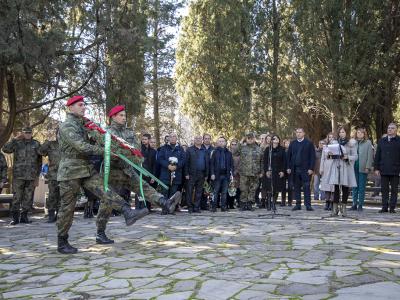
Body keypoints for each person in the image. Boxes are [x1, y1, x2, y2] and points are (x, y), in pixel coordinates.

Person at [55, 97, 149, 254]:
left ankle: (127, 212)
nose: (84, 108)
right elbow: (81, 146)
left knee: (106, 191)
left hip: (86, 168)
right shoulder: (67, 126)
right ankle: (62, 240)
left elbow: (100, 136)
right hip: (70, 171)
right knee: (67, 208)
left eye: (84, 105)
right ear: (70, 108)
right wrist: (105, 151)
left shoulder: (85, 124)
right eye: (80, 105)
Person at [106, 106, 181, 218]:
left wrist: (126, 151)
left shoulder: (129, 133)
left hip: (127, 169)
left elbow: (136, 148)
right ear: (113, 117)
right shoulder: (106, 132)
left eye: (125, 115)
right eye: (121, 115)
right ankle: (102, 229)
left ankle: (166, 203)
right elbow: (108, 150)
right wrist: (124, 151)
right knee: (106, 199)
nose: (124, 118)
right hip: (112, 170)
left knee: (145, 188)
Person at [3, 127, 42, 225]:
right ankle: (15, 218)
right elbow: (5, 149)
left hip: (31, 176)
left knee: (28, 197)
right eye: (26, 133)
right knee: (17, 197)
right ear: (23, 133)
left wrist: (37, 175)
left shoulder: (36, 144)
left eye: (29, 133)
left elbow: (39, 161)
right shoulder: (17, 143)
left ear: (31, 133)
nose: (28, 134)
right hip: (18, 176)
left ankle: (24, 217)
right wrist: (15, 139)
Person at [326, 126, 357, 217]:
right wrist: (329, 154)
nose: (341, 134)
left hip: (346, 167)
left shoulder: (351, 143)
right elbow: (330, 155)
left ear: (346, 133)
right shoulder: (334, 143)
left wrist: (348, 157)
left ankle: (343, 209)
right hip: (337, 166)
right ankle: (335, 210)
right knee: (336, 188)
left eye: (343, 132)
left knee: (345, 188)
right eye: (340, 132)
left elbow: (355, 156)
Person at [287, 128, 315, 211]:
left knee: (306, 187)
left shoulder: (309, 143)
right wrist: (288, 167)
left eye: (300, 132)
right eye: (297, 132)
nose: (298, 134)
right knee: (296, 187)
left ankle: (308, 205)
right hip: (295, 169)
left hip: (305, 169)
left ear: (304, 133)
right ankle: (298, 204)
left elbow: (312, 157)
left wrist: (311, 168)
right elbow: (289, 156)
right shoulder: (293, 143)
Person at [233, 132, 263, 211]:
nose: (250, 139)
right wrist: (241, 142)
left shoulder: (259, 149)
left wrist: (262, 172)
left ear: (254, 138)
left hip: (255, 173)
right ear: (246, 139)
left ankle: (249, 204)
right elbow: (234, 152)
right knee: (243, 189)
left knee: (253, 189)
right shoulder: (242, 148)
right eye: (248, 138)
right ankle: (243, 205)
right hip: (244, 173)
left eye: (251, 138)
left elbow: (262, 162)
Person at [374, 123, 400, 213]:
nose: (390, 129)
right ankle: (384, 207)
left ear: (396, 130)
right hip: (383, 169)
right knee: (384, 190)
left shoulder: (399, 140)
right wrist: (376, 168)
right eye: (388, 128)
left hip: (395, 169)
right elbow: (377, 155)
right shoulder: (382, 140)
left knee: (394, 190)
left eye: (392, 128)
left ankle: (392, 208)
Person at [38, 128, 61, 223]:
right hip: (53, 175)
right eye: (59, 133)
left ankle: (60, 215)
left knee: (63, 196)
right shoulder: (51, 145)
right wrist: (47, 141)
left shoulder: (68, 145)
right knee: (52, 195)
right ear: (56, 134)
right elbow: (40, 151)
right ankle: (51, 215)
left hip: (66, 174)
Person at [184, 135, 209, 213]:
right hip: (191, 174)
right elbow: (186, 163)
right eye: (196, 138)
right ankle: (190, 207)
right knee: (189, 191)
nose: (198, 140)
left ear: (202, 140)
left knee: (199, 191)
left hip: (201, 173)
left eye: (199, 138)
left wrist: (206, 174)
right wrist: (186, 173)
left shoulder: (204, 150)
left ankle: (196, 207)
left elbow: (207, 163)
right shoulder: (189, 150)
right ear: (194, 140)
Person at [157, 132, 186, 199]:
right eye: (171, 137)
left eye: (174, 136)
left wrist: (176, 166)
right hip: (165, 174)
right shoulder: (163, 148)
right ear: (168, 138)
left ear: (176, 138)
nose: (172, 138)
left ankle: (171, 208)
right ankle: (165, 208)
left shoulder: (180, 149)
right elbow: (160, 159)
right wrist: (168, 165)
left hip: (176, 175)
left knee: (173, 194)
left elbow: (183, 160)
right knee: (164, 192)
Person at [351, 128, 374, 212]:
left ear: (364, 134)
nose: (359, 134)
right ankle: (354, 204)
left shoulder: (368, 143)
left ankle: (360, 204)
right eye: (358, 133)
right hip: (354, 167)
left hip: (363, 167)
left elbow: (370, 156)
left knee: (361, 187)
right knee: (354, 187)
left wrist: (368, 167)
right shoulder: (353, 142)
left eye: (361, 133)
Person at [210, 136, 233, 212]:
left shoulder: (229, 153)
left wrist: (231, 175)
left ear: (226, 143)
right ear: (217, 143)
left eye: (223, 141)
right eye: (219, 141)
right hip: (217, 176)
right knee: (215, 192)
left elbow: (231, 165)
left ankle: (223, 207)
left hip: (226, 176)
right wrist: (212, 173)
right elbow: (212, 164)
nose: (221, 142)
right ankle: (214, 207)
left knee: (224, 192)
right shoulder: (214, 152)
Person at [263, 135, 286, 211]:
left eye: (276, 138)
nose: (274, 139)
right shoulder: (268, 149)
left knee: (276, 188)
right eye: (273, 138)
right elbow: (265, 161)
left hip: (278, 172)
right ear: (272, 140)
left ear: (279, 140)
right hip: (270, 171)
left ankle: (274, 203)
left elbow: (284, 161)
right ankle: (268, 203)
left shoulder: (282, 149)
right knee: (269, 187)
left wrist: (282, 171)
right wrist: (266, 171)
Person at [138, 133, 158, 210]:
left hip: (149, 175)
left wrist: (153, 176)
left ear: (149, 140)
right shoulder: (138, 150)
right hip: (140, 174)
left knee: (148, 191)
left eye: (145, 139)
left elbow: (154, 165)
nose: (143, 141)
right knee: (139, 191)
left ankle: (147, 208)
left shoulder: (153, 151)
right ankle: (139, 207)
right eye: (142, 139)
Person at [319, 133, 337, 211]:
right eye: (329, 137)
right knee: (326, 186)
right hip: (326, 167)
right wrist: (321, 168)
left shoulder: (337, 146)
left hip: (334, 167)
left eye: (332, 137)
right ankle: (327, 202)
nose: (331, 138)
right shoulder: (325, 147)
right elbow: (322, 158)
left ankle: (332, 203)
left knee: (332, 187)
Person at [200, 133, 214, 210]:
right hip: (201, 172)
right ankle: (202, 205)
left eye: (208, 138)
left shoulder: (213, 149)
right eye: (206, 138)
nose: (207, 140)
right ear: (203, 139)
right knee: (201, 189)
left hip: (211, 173)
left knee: (209, 189)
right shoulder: (200, 148)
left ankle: (210, 204)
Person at [227, 139, 240, 209]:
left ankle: (236, 203)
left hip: (237, 175)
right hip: (228, 174)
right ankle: (229, 204)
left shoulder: (239, 154)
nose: (234, 146)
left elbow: (241, 164)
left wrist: (236, 170)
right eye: (232, 144)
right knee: (229, 190)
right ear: (230, 145)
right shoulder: (227, 153)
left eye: (235, 144)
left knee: (236, 190)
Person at [282, 139, 292, 206]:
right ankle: (283, 201)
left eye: (288, 143)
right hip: (283, 170)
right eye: (286, 143)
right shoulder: (282, 151)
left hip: (290, 170)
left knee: (290, 186)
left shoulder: (293, 151)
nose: (287, 144)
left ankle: (290, 201)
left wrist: (289, 168)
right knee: (283, 186)